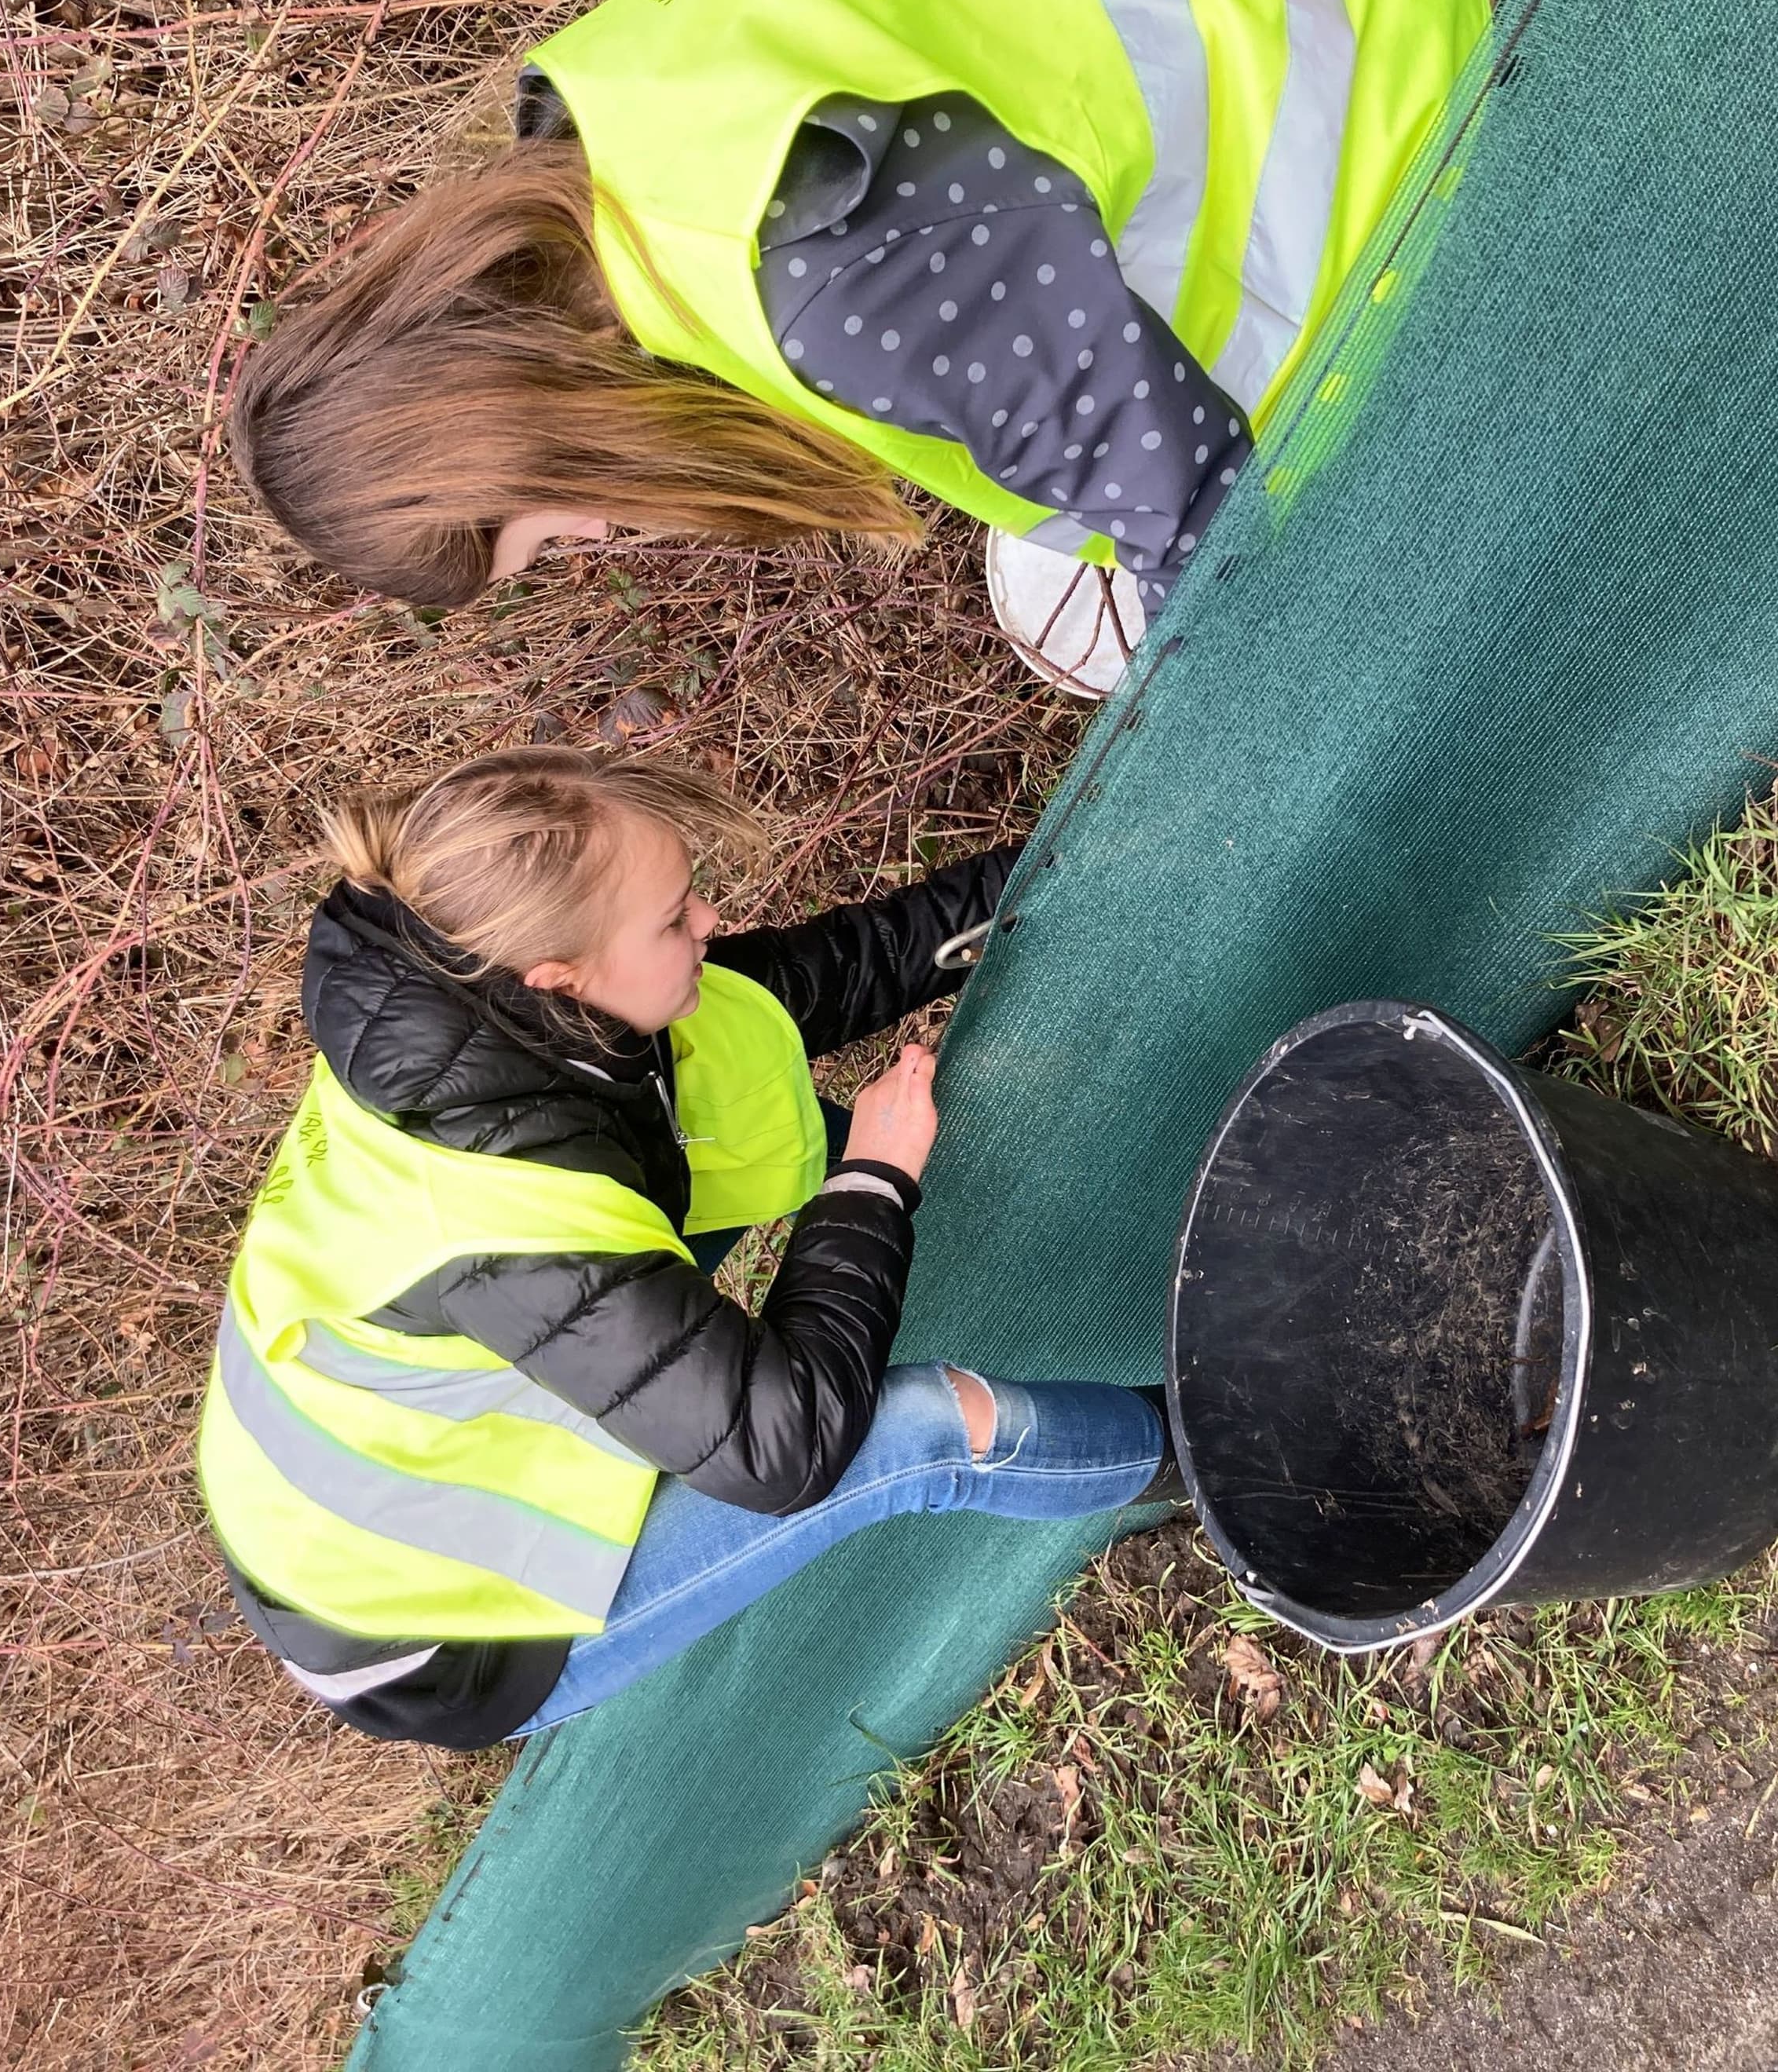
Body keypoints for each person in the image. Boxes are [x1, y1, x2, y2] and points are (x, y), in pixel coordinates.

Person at [229, 0, 1488, 695]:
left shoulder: (828, 276)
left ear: (520, 435)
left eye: (552, 533)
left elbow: (1225, 541)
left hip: (1399, 127)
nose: (608, 531)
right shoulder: (596, 113)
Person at [196, 748, 1173, 1747]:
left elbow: (814, 982)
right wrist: (872, 1184)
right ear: (559, 979)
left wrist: (1076, 877)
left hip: (435, 1411)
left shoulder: (495, 1010)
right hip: (436, 1632)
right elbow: (784, 1446)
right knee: (916, 1428)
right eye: (674, 918)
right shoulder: (506, 1222)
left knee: (769, 1115)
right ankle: (1223, 1461)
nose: (707, 920)